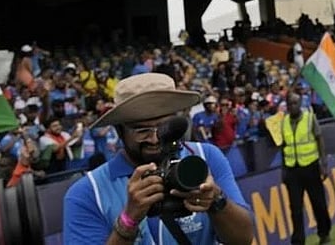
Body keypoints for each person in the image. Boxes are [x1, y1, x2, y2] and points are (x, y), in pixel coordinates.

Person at [61, 73, 253, 244]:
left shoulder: (205, 158)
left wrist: (216, 200)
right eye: (142, 130)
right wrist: (128, 220)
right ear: (120, 131)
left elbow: (243, 238)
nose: (154, 139)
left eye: (165, 128)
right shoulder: (87, 193)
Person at [271, 93, 331, 245]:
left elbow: (320, 139)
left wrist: (324, 164)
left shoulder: (310, 118)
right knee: (295, 209)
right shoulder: (284, 122)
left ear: (300, 104)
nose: (292, 107)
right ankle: (298, 241)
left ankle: (324, 233)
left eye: (295, 103)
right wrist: (283, 170)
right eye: (290, 104)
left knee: (318, 203)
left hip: (311, 167)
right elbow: (284, 147)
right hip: (292, 171)